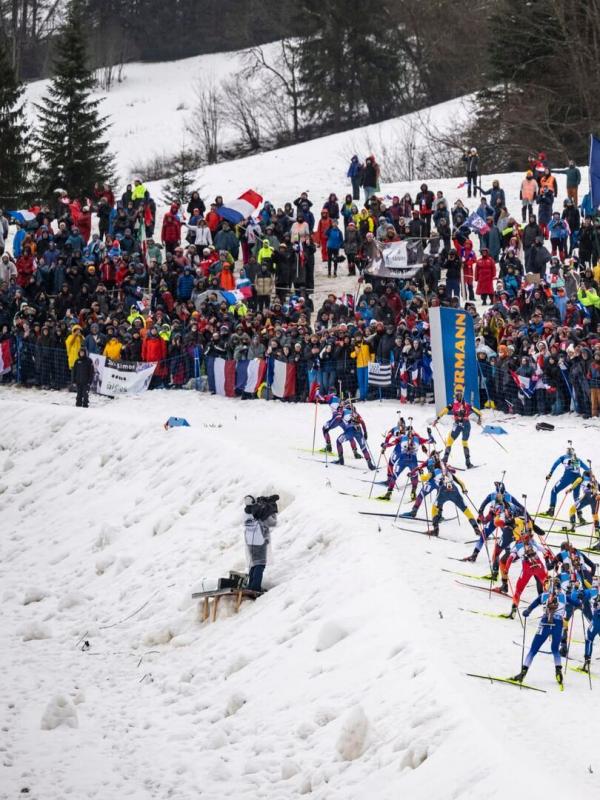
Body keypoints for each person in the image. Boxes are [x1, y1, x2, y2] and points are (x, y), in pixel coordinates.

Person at [512, 583, 567, 687]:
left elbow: (537, 601)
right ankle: (558, 671)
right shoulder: (564, 596)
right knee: (555, 649)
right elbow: (577, 602)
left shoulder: (545, 595)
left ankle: (523, 673)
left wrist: (528, 610)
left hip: (545, 624)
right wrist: (580, 599)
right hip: (558, 626)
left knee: (533, 650)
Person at [378, 424, 432, 501]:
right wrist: (385, 445)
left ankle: (413, 492)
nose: (410, 436)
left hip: (412, 461)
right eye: (408, 433)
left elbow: (430, 441)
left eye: (411, 434)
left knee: (415, 476)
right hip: (402, 460)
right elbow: (392, 443)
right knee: (395, 475)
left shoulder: (417, 438)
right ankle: (389, 493)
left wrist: (430, 434)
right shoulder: (402, 438)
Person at [434, 387, 482, 468]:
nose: (458, 396)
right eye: (457, 395)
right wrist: (437, 418)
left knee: (464, 442)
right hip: (457, 424)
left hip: (465, 424)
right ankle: (445, 460)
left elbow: (479, 412)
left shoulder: (466, 405)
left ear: (461, 395)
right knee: (450, 440)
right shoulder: (453, 405)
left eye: (459, 395)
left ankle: (468, 463)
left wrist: (479, 420)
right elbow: (445, 410)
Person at [430, 463, 480, 537]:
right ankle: (475, 527)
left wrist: (420, 472)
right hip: (454, 492)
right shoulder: (448, 472)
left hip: (442, 492)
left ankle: (436, 528)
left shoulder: (435, 472)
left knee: (434, 509)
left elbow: (423, 478)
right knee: (466, 510)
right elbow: (461, 482)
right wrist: (464, 489)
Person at [243, 494, 278, 592]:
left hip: (249, 542)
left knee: (253, 563)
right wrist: (272, 505)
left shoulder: (246, 512)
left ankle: (251, 585)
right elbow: (273, 522)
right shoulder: (259, 512)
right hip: (260, 541)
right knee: (260, 564)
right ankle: (255, 587)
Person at [543, 443, 590, 517]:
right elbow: (588, 470)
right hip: (578, 478)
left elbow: (555, 464)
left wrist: (550, 474)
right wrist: (587, 477)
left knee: (554, 491)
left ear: (567, 451)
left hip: (567, 477)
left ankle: (551, 510)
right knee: (576, 497)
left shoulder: (564, 457)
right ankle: (580, 515)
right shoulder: (578, 460)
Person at [333, 402, 376, 469]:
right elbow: (362, 422)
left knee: (338, 441)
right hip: (359, 431)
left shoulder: (344, 411)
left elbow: (338, 416)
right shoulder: (356, 413)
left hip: (350, 431)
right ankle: (370, 464)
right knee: (363, 448)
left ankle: (341, 460)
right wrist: (365, 432)